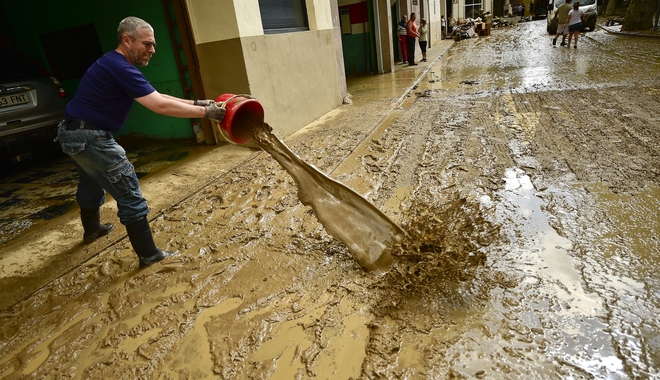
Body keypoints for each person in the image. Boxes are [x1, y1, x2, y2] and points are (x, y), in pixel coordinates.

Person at [57, 16, 225, 268]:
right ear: (127, 40)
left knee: (91, 183)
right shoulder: (120, 66)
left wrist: (199, 103)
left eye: (153, 45)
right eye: (147, 44)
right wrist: (208, 114)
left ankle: (93, 229)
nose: (152, 50)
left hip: (72, 133)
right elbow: (159, 106)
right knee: (129, 193)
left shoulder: (114, 63)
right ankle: (149, 255)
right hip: (90, 137)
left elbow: (157, 95)